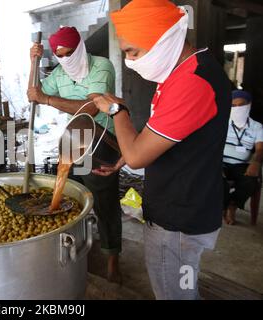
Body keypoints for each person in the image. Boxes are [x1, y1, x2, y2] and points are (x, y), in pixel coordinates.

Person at [92, 0, 231, 299]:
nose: (129, 61)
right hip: (182, 206)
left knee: (175, 293)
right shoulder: (181, 71)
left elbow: (138, 156)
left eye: (133, 51)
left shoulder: (192, 82)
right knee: (180, 288)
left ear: (163, 39)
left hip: (178, 221)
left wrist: (117, 111)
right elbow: (162, 136)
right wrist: (126, 157)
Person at [27, 27, 125, 283]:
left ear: (81, 47)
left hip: (105, 140)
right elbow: (33, 94)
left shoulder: (101, 67)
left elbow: (92, 108)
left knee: (105, 202)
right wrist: (32, 63)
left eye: (70, 53)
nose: (67, 59)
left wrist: (48, 100)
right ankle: (81, 245)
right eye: (60, 55)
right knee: (73, 194)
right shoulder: (59, 74)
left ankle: (113, 256)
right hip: (77, 137)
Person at [223, 90, 263, 225]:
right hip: (221, 162)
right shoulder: (223, 122)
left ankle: (232, 206)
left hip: (241, 164)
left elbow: (260, 149)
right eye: (233, 106)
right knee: (214, 179)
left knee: (251, 181)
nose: (237, 109)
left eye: (241, 105)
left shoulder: (257, 127)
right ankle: (221, 207)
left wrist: (256, 162)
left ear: (249, 105)